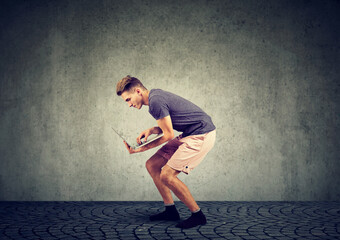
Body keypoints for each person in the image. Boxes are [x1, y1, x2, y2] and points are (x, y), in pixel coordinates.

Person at [116, 75, 216, 229]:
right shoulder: (154, 96)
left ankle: (198, 215)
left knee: (167, 175)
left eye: (128, 99)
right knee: (152, 165)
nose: (128, 105)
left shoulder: (155, 101)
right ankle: (170, 211)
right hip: (190, 133)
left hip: (202, 134)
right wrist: (152, 130)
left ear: (137, 91)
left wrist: (140, 149)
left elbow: (168, 135)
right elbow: (167, 126)